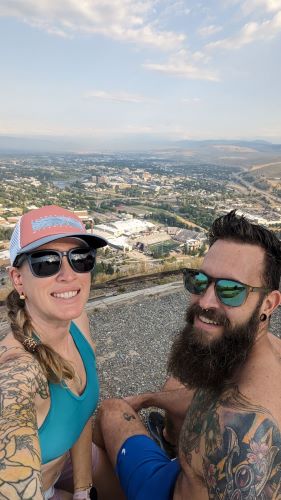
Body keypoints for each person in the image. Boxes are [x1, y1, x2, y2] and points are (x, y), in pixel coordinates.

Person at [92, 210, 281, 499]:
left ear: (268, 303)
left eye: (230, 290)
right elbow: (217, 398)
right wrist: (149, 398)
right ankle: (167, 441)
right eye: (200, 281)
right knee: (172, 386)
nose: (205, 301)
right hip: (184, 471)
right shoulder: (266, 349)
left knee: (112, 409)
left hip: (164, 490)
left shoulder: (246, 435)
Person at [0, 205, 107, 500]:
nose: (68, 275)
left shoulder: (75, 320)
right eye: (46, 262)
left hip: (71, 464)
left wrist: (83, 490)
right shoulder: (17, 370)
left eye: (80, 259)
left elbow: (81, 415)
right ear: (18, 279)